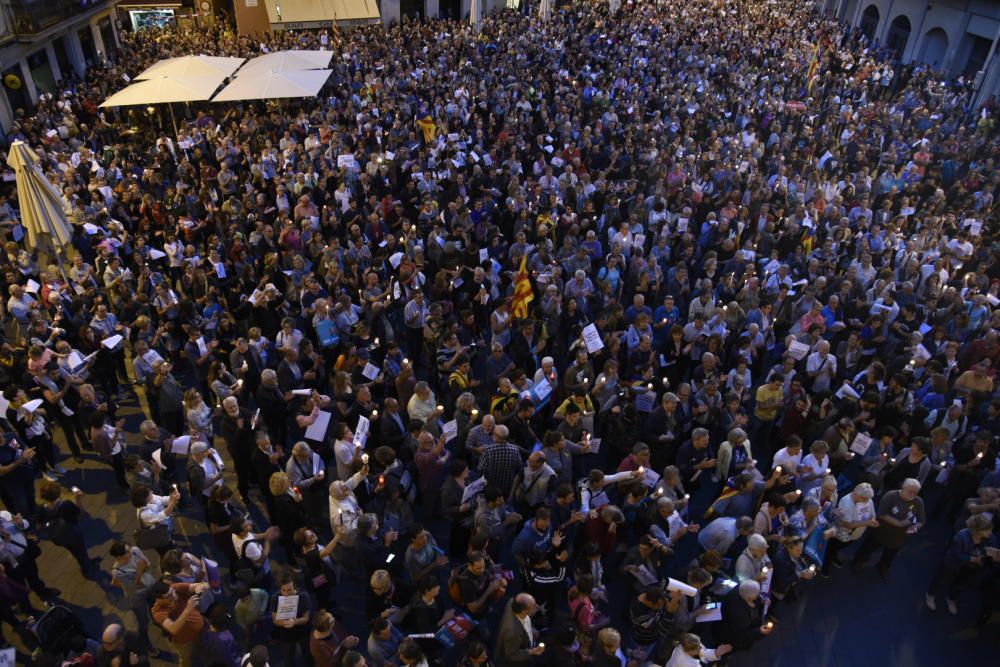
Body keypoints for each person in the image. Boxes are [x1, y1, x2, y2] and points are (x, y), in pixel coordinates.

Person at [852, 478, 926, 579]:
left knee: (890, 555)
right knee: (868, 548)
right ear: (903, 488)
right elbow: (882, 514)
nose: (912, 494)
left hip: (899, 538)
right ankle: (858, 561)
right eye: (910, 491)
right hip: (880, 532)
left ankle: (883, 566)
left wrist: (914, 528)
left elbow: (921, 520)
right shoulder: (891, 496)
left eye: (915, 492)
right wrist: (899, 523)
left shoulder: (918, 502)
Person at [926, 514, 998, 615]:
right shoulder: (961, 536)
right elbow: (957, 554)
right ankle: (931, 595)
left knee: (960, 585)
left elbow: (993, 552)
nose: (990, 533)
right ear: (977, 530)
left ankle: (951, 599)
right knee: (942, 580)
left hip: (971, 568)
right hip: (953, 564)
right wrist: (972, 559)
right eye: (987, 530)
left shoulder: (991, 538)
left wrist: (994, 555)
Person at [270, 574, 312, 666]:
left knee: (308, 655)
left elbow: (306, 618)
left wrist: (295, 622)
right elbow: (275, 620)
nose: (286, 593)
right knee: (288, 660)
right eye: (283, 590)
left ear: (295, 586)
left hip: (303, 630)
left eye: (289, 590)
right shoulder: (275, 598)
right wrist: (284, 623)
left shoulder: (303, 596)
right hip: (286, 632)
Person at [495, 593, 546, 666]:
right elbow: (511, 655)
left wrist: (531, 628)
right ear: (524, 611)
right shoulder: (513, 632)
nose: (537, 607)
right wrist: (531, 652)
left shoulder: (513, 602)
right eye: (534, 606)